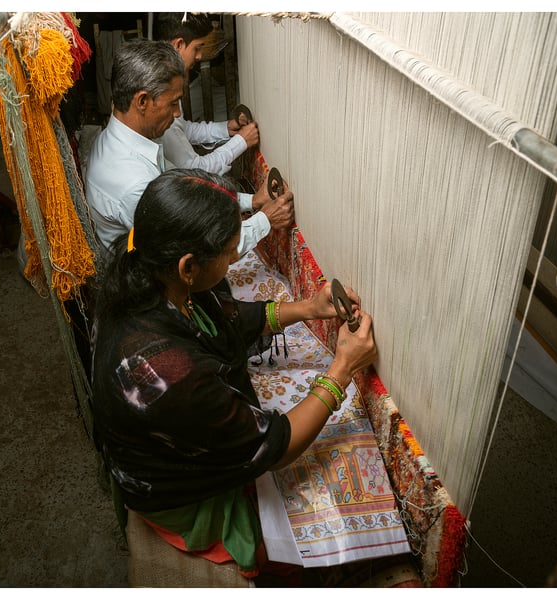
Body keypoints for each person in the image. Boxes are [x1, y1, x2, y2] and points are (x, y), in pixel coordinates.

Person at [91, 168, 377, 581]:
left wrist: (307, 309)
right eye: (229, 252)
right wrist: (342, 369)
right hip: (176, 491)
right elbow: (274, 446)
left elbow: (220, 318)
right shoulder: (165, 372)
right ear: (189, 265)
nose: (232, 259)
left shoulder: (148, 273)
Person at [85, 38, 294, 258]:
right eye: (173, 103)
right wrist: (264, 221)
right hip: (147, 280)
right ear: (143, 101)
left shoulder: (124, 138)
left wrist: (249, 201)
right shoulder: (134, 184)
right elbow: (196, 252)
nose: (177, 114)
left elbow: (185, 187)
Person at [153, 12, 260, 177]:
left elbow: (182, 129)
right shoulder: (161, 95)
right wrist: (241, 142)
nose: (200, 56)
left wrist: (225, 128)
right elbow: (197, 170)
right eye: (197, 48)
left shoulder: (164, 80)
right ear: (178, 45)